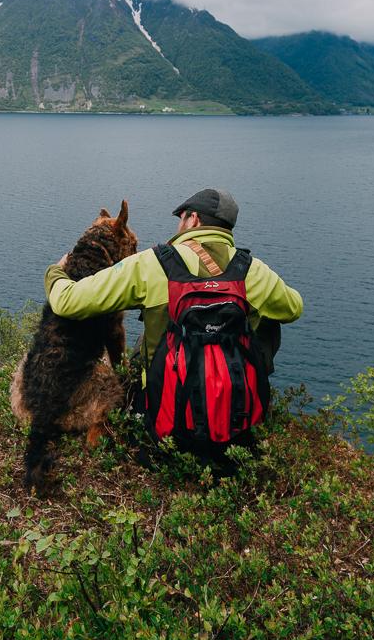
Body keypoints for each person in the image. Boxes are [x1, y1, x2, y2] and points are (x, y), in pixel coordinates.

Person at [44, 187, 303, 463]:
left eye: (181, 218)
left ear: (193, 220)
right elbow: (294, 307)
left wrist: (56, 272)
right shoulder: (251, 269)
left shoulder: (153, 263)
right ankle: (239, 396)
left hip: (164, 419)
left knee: (157, 327)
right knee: (270, 319)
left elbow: (67, 302)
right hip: (233, 422)